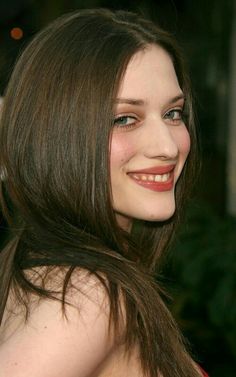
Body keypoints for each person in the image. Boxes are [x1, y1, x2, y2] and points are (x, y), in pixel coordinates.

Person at [0, 8, 207, 377]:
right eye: (125, 118)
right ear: (57, 135)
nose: (169, 147)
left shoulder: (31, 267)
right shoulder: (91, 294)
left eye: (173, 113)